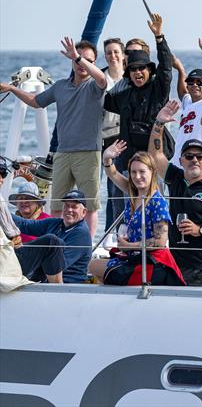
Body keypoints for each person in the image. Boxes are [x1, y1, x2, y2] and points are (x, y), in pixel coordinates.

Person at [1, 37, 107, 237]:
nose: (81, 63)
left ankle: (86, 248)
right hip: (63, 153)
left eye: (87, 61)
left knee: (90, 205)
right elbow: (36, 101)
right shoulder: (60, 87)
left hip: (89, 153)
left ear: (93, 63)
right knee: (57, 204)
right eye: (77, 59)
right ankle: (57, 246)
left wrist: (77, 57)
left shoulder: (95, 86)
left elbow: (102, 79)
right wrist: (13, 88)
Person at [148, 101, 202, 286]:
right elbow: (155, 156)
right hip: (174, 263)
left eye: (199, 156)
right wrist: (159, 124)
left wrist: (200, 230)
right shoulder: (176, 179)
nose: (194, 160)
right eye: (189, 156)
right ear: (181, 160)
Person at [89, 145, 184, 286]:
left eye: (141, 172)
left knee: (95, 267)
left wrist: (130, 245)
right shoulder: (133, 193)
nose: (137, 176)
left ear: (152, 172)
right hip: (134, 256)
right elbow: (113, 174)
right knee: (93, 266)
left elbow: (160, 241)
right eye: (133, 172)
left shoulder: (157, 201)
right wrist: (107, 157)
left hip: (151, 261)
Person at [104, 14, 175, 176]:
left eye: (141, 68)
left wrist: (159, 38)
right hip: (128, 161)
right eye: (133, 69)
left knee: (156, 200)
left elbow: (165, 68)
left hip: (155, 159)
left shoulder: (159, 90)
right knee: (123, 201)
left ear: (149, 70)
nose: (137, 72)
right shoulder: (123, 94)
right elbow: (103, 100)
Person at [11, 190, 92, 283]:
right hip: (44, 276)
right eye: (66, 206)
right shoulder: (55, 223)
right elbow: (25, 225)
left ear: (84, 212)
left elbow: (59, 263)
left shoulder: (81, 234)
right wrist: (3, 212)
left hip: (67, 283)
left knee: (51, 241)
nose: (69, 210)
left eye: (74, 207)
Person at [1, 166, 65, 284]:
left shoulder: (46, 221)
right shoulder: (8, 223)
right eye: (20, 198)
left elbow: (55, 254)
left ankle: (57, 288)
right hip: (13, 261)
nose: (24, 201)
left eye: (28, 198)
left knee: (51, 241)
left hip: (37, 269)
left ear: (38, 203)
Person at [170, 31, 202, 173]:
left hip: (198, 167)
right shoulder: (188, 103)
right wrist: (180, 69)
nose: (194, 85)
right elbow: (182, 93)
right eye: (191, 82)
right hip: (178, 165)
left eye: (199, 83)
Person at [101, 37, 126, 231]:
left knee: (118, 188)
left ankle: (118, 230)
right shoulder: (100, 78)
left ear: (123, 54)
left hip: (125, 138)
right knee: (106, 190)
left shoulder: (131, 77)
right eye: (109, 52)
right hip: (103, 139)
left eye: (116, 52)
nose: (113, 56)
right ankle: (109, 232)